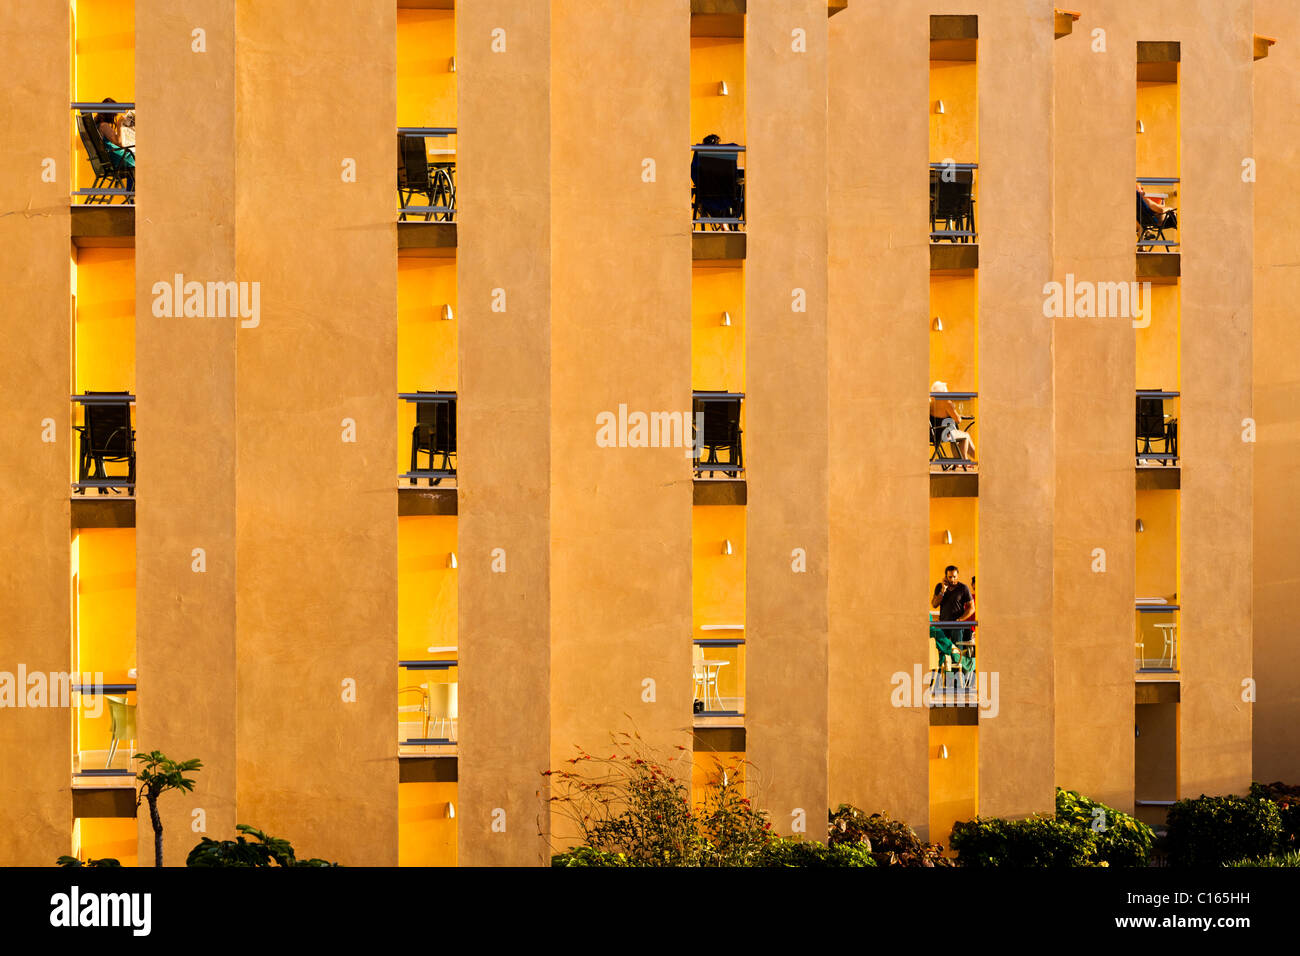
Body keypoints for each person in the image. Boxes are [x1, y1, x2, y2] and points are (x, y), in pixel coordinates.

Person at [931, 565, 976, 666]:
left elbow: (972, 608)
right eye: (950, 577)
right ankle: (945, 678)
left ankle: (957, 679)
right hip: (943, 625)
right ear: (946, 576)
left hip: (957, 626)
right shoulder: (940, 587)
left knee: (956, 653)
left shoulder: (963, 588)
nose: (952, 579)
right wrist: (943, 590)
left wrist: (961, 619)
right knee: (942, 653)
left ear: (958, 575)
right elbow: (934, 604)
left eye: (954, 576)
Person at [929, 381, 976, 469]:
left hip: (933, 435)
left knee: (957, 436)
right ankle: (966, 461)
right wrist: (957, 414)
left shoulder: (930, 403)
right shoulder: (947, 403)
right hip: (944, 434)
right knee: (965, 436)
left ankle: (960, 462)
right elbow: (958, 420)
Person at [95, 98, 135, 184]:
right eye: (114, 113)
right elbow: (119, 142)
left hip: (113, 157)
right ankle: (132, 194)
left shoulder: (99, 125)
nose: (115, 115)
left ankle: (130, 194)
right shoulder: (104, 126)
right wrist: (119, 124)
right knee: (140, 161)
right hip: (117, 159)